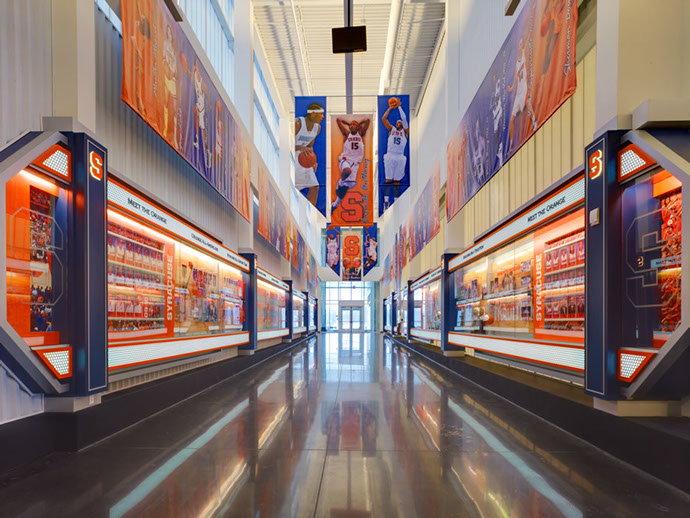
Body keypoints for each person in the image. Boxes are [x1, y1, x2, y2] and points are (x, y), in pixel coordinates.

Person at [331, 117, 371, 213]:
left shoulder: (361, 134)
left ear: (358, 128)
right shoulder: (347, 134)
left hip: (355, 164)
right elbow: (338, 121)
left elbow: (368, 121)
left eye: (354, 125)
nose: (351, 125)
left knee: (347, 187)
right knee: (347, 171)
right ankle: (340, 182)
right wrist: (347, 122)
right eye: (351, 125)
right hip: (345, 160)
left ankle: (335, 205)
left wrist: (358, 122)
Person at [507, 38, 538, 152]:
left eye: (521, 44)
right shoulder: (517, 62)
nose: (520, 46)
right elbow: (515, 76)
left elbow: (528, 39)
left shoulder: (524, 55)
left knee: (527, 102)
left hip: (524, 86)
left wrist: (527, 38)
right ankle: (510, 144)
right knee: (511, 119)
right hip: (518, 92)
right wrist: (512, 87)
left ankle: (534, 120)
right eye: (519, 44)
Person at [294, 103, 324, 205]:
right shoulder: (298, 123)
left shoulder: (317, 128)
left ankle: (310, 215)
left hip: (303, 158)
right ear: (312, 114)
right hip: (291, 157)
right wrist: (299, 147)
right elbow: (285, 144)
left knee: (315, 187)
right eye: (320, 114)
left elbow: (310, 146)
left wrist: (313, 161)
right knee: (292, 188)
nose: (322, 117)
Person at [381, 100, 409, 186]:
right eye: (397, 122)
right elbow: (383, 118)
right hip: (390, 154)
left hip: (400, 155)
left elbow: (404, 118)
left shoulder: (405, 132)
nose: (397, 123)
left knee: (397, 181)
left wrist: (399, 107)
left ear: (402, 124)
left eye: (399, 122)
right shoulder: (391, 129)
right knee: (388, 180)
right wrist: (390, 108)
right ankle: (386, 199)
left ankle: (397, 198)